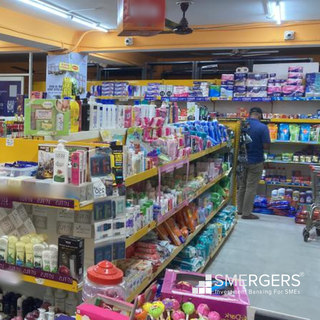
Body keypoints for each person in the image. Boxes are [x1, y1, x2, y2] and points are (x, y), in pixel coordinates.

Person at [237, 107, 271, 220]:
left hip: (242, 160)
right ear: (260, 115)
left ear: (249, 114)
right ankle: (247, 213)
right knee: (251, 187)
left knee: (242, 185)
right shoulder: (263, 127)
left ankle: (239, 209)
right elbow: (266, 145)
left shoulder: (241, 125)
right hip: (255, 160)